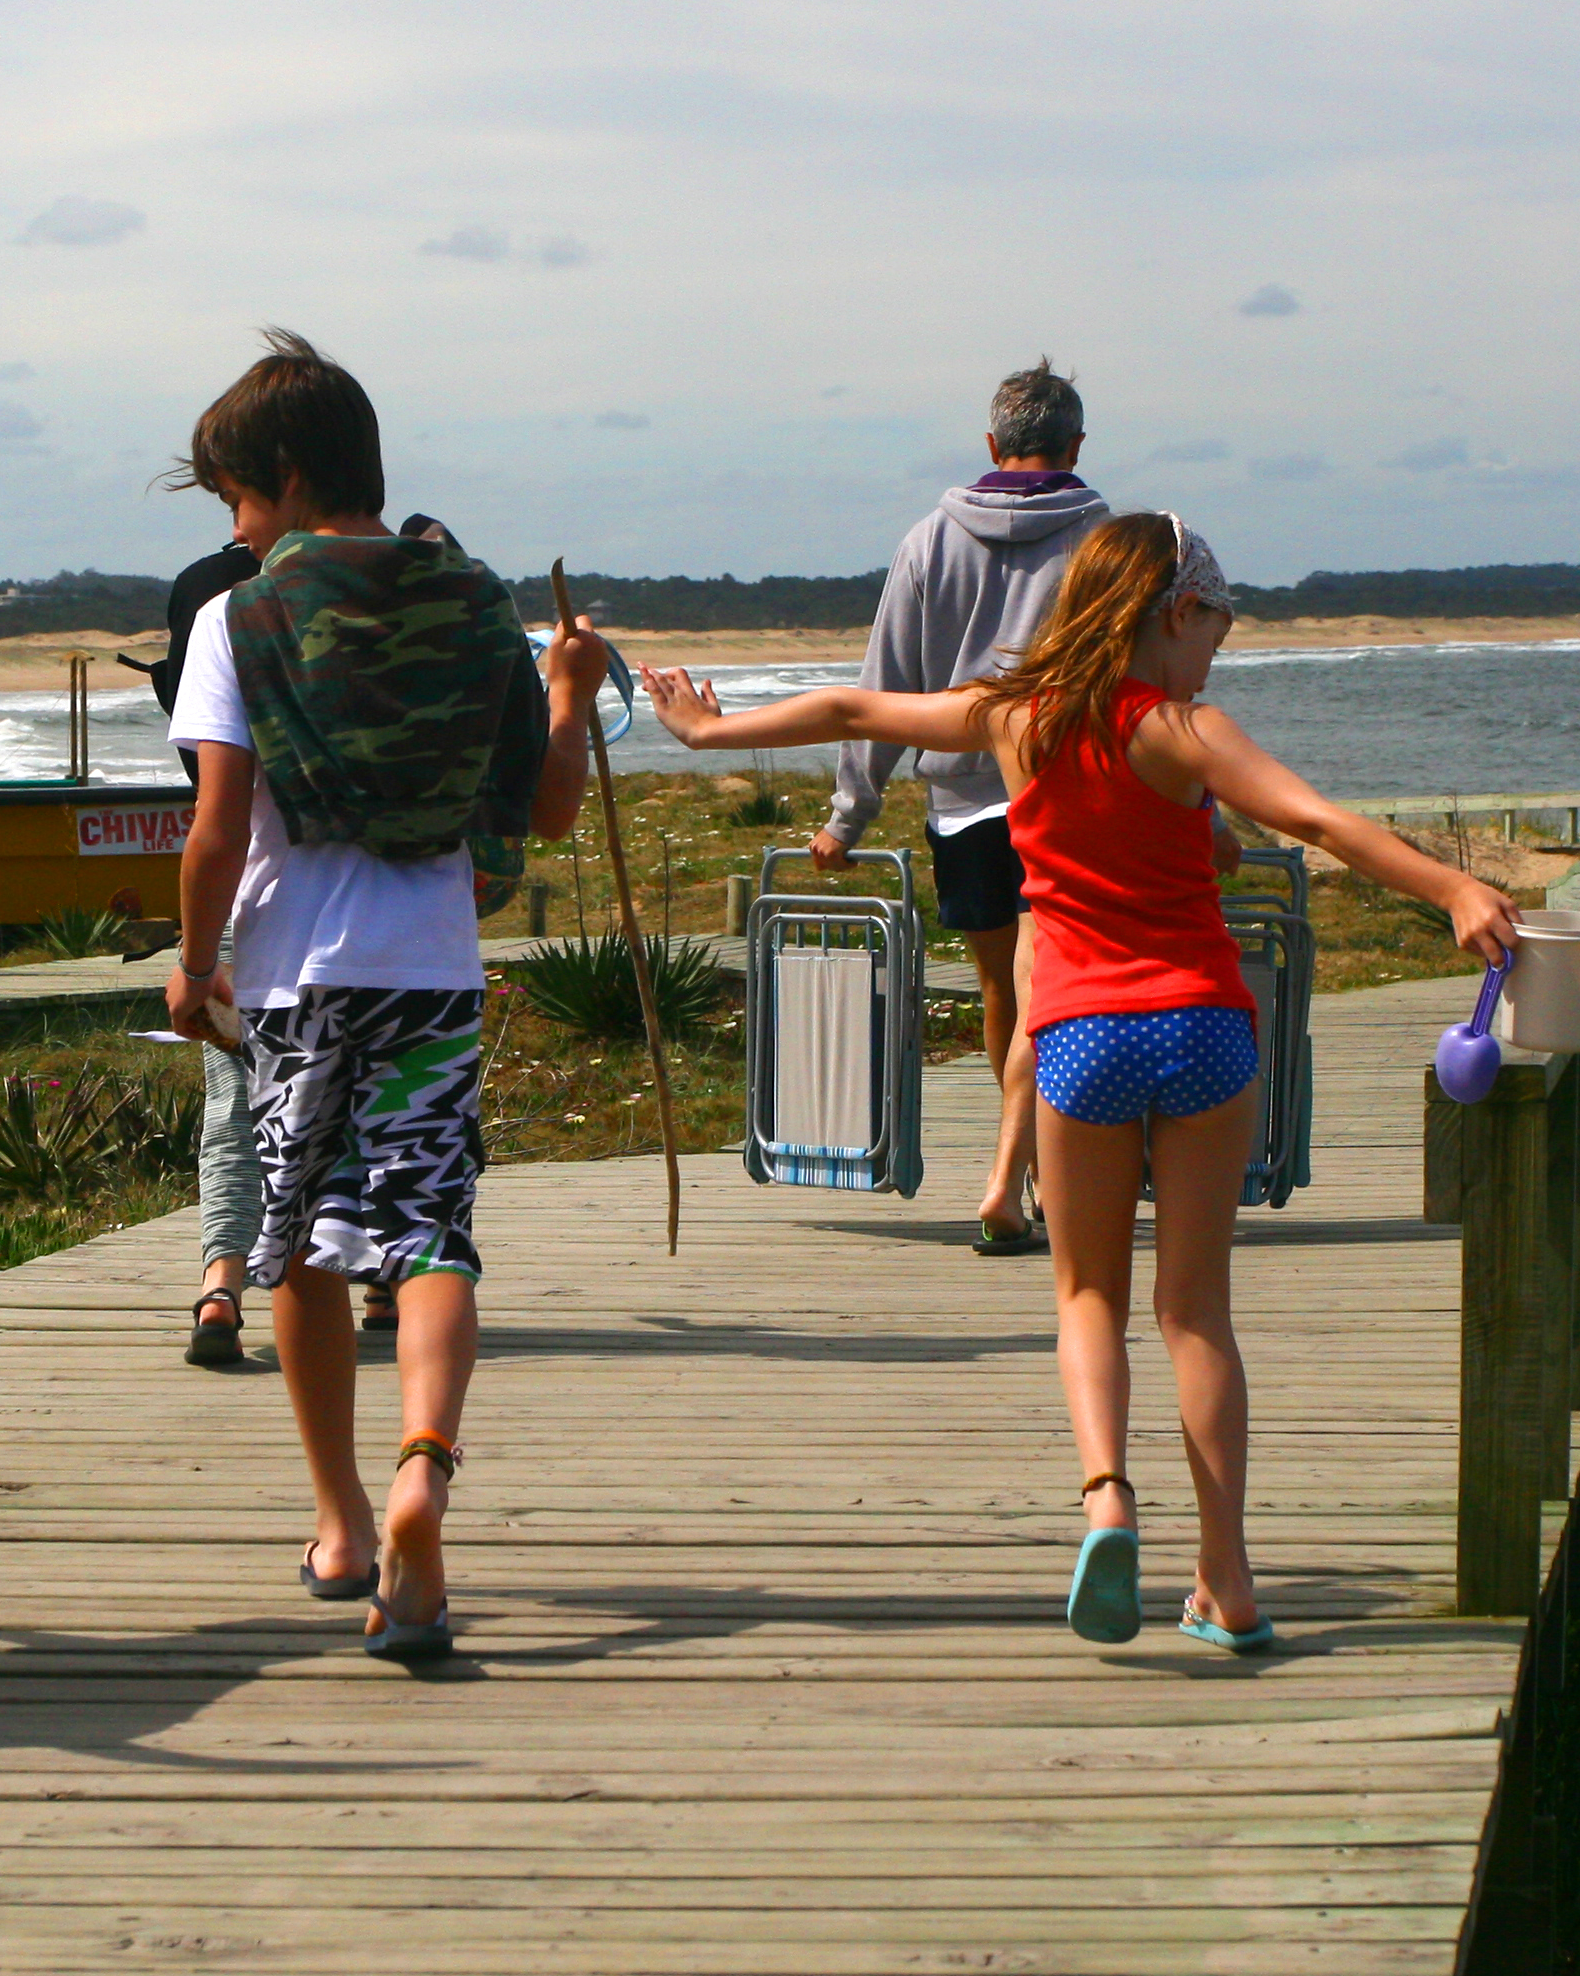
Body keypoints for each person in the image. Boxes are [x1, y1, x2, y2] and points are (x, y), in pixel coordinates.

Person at [642, 512, 1516, 1651]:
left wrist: (711, 735)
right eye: (1217, 625)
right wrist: (1452, 891)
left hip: (1082, 1038)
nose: (1218, 650)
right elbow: (1314, 820)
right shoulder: (1188, 731)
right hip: (1205, 1030)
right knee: (1196, 1312)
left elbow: (857, 710)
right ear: (1174, 611)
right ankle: (1229, 1580)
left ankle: (1107, 1496)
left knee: (1089, 1297)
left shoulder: (1017, 716)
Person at [164, 330, 607, 1662]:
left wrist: (194, 967)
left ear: (288, 479)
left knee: (294, 1242)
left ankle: (345, 1521)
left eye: (239, 498)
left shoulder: (234, 618)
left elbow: (217, 828)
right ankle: (425, 1467)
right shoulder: (473, 605)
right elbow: (544, 806)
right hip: (433, 973)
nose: (238, 531)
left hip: (296, 982)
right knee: (427, 1235)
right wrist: (570, 695)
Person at [818, 360, 1109, 1257]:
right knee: (1059, 995)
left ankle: (1021, 1171)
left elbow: (884, 682)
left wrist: (847, 814)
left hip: (962, 808)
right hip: (1066, 798)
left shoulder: (927, 543)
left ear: (992, 444)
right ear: (1076, 446)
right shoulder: (1107, 542)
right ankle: (1040, 1172)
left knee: (1002, 993)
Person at [139, 524, 264, 1368]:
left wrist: (192, 962)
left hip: (247, 897)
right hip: (361, 902)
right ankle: (378, 1279)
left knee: (234, 1103)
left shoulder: (208, 601)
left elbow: (216, 826)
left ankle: (222, 1282)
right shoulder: (377, 587)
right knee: (365, 1104)